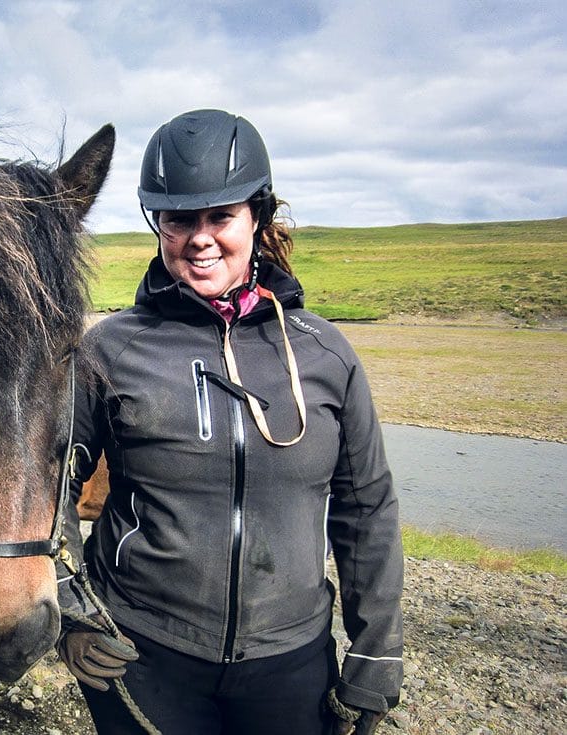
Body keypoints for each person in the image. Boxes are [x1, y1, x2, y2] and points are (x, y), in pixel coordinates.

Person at [56, 109, 403, 735]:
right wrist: (71, 606)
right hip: (143, 650)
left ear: (256, 217)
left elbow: (367, 507)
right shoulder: (109, 350)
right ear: (156, 224)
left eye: (221, 216)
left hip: (290, 659)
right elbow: (47, 479)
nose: (200, 237)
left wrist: (377, 648)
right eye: (179, 219)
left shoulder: (325, 354)